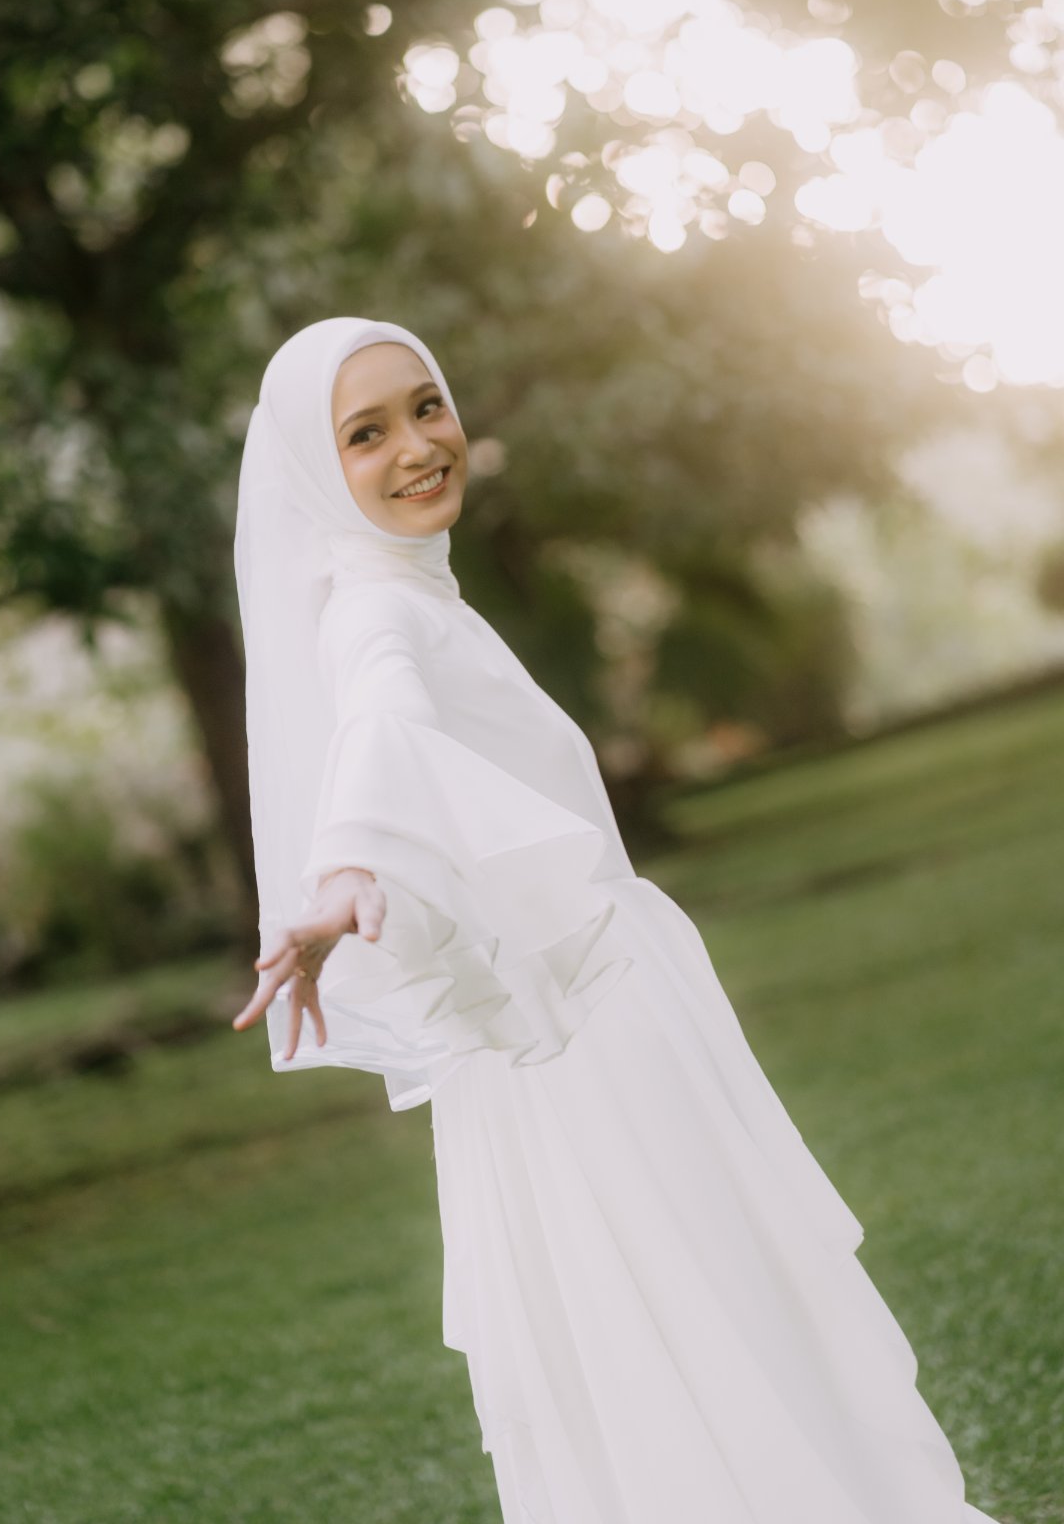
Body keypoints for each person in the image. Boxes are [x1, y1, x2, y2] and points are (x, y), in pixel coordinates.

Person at [230, 315, 1005, 1524]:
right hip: (584, 1051)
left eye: (426, 406)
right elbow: (381, 727)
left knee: (709, 1315)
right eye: (364, 435)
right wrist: (345, 868)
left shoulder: (415, 591)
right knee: (699, 1317)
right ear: (314, 475)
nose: (418, 446)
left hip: (574, 1031)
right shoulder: (377, 612)